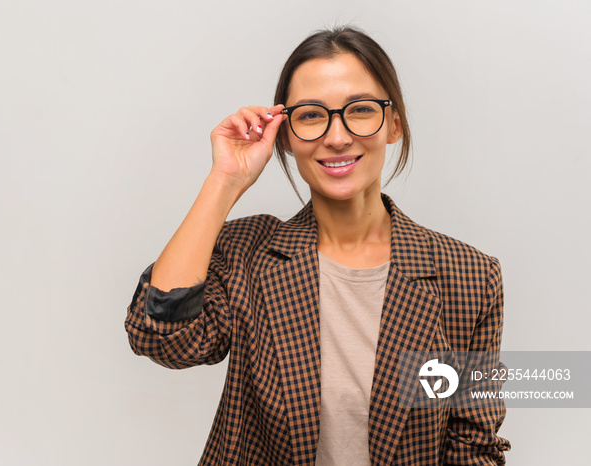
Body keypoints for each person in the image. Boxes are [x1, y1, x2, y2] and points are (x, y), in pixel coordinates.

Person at [126, 26, 510, 465]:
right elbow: (161, 338)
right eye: (311, 115)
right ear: (285, 136)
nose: (337, 136)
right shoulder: (248, 253)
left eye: (361, 110)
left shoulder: (470, 276)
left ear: (394, 124)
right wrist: (224, 182)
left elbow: (472, 446)